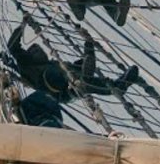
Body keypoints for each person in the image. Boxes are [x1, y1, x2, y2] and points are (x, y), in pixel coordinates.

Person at [7, 17, 139, 102]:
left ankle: (118, 85)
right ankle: (83, 78)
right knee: (66, 70)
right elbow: (12, 46)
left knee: (78, 71)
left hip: (68, 86)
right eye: (34, 51)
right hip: (52, 85)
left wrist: (88, 43)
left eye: (39, 49)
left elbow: (80, 64)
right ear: (29, 55)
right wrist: (22, 25)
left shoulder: (53, 63)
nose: (39, 51)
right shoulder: (26, 64)